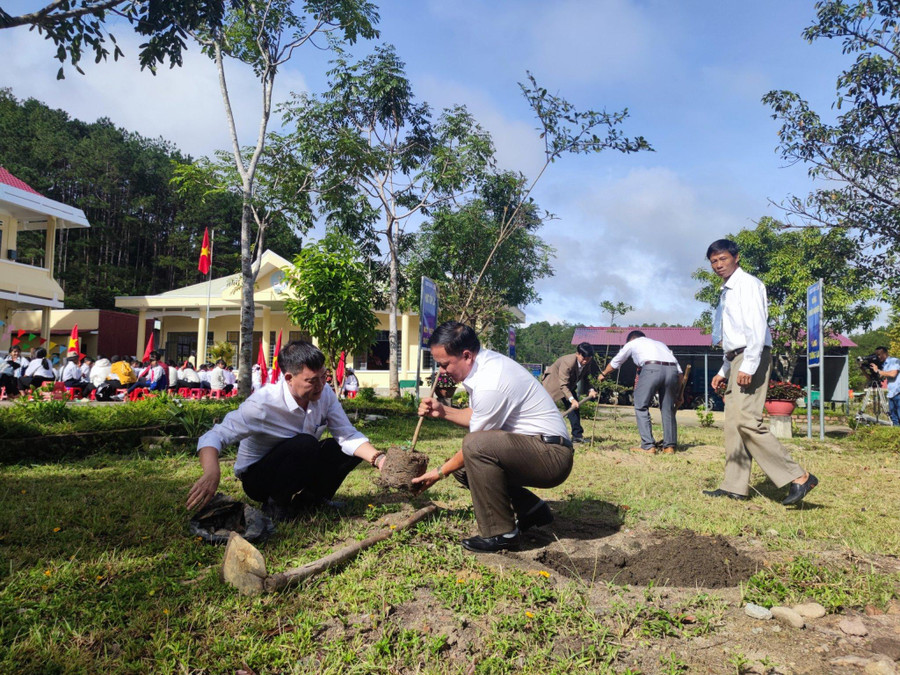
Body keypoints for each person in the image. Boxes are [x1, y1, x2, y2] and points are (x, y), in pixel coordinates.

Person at [411, 321, 573, 553]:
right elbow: (478, 416)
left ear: (466, 355)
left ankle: (502, 533)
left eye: (444, 365)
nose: (442, 372)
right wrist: (442, 411)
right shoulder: (484, 367)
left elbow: (477, 442)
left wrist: (437, 474)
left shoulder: (491, 381)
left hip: (552, 456)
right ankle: (530, 509)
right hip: (538, 447)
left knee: (473, 447)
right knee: (464, 468)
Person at [186, 340, 387, 518]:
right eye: (311, 381)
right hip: (259, 478)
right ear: (289, 378)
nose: (320, 386)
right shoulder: (263, 404)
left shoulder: (324, 393)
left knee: (344, 449)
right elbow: (215, 435)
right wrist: (212, 471)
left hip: (298, 463)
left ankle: (310, 501)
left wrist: (379, 460)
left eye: (323, 377)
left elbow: (348, 434)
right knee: (305, 443)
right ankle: (276, 504)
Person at [704, 239, 818, 505]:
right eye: (713, 261)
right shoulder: (727, 291)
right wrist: (725, 368)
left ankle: (799, 476)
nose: (718, 265)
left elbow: (756, 327)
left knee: (746, 420)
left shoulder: (748, 285)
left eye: (722, 259)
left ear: (736, 257)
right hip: (736, 357)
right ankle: (734, 486)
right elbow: (733, 335)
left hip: (750, 355)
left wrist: (749, 364)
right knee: (733, 424)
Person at [598, 330, 683, 454]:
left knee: (641, 405)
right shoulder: (661, 344)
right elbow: (680, 373)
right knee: (668, 408)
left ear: (631, 339)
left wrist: (603, 373)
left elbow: (617, 361)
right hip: (672, 370)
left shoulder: (633, 343)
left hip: (651, 369)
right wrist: (679, 394)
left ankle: (648, 446)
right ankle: (669, 447)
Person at [542, 342, 600, 443]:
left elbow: (586, 378)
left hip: (568, 384)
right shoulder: (568, 362)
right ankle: (542, 432)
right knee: (547, 409)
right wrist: (572, 399)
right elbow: (563, 385)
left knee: (574, 409)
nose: (585, 361)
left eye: (588, 359)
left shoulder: (588, 361)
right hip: (553, 384)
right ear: (577, 354)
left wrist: (591, 390)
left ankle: (577, 436)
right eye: (583, 358)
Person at [871, 346, 900, 426]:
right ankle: (896, 434)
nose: (878, 357)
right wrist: (863, 368)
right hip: (891, 394)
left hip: (898, 392)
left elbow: (893, 374)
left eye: (880, 354)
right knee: (894, 418)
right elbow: (877, 377)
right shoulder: (883, 365)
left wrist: (878, 371)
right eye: (877, 355)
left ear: (885, 353)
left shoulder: (894, 361)